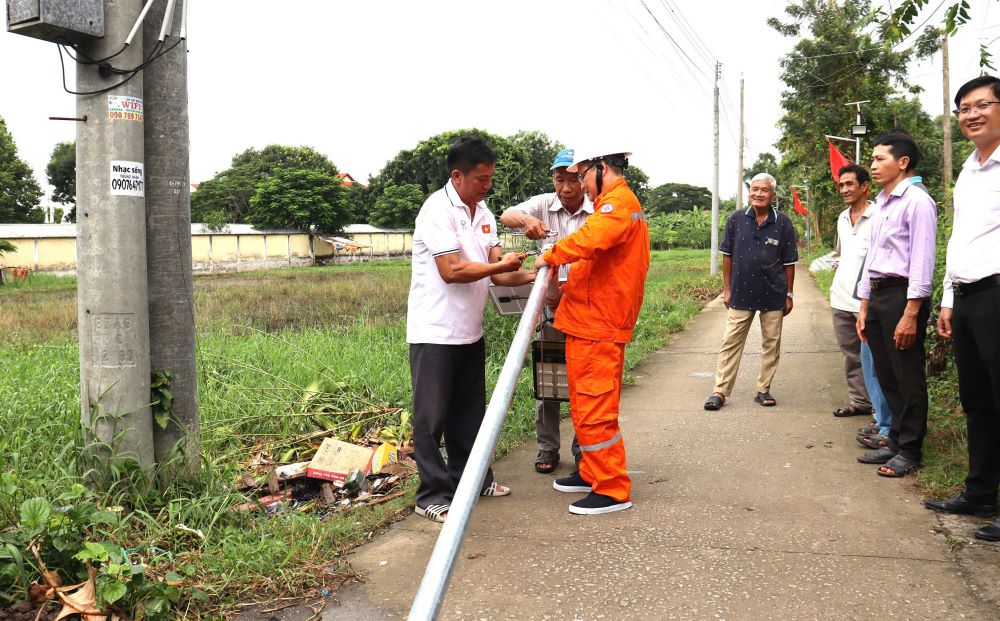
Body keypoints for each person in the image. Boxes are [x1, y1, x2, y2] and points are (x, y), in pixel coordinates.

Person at [406, 136, 535, 523]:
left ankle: (473, 480)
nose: (487, 185)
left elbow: (501, 271)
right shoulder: (437, 210)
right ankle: (431, 494)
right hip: (435, 333)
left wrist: (543, 273)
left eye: (490, 178)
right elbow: (453, 271)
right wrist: (501, 266)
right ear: (457, 175)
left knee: (469, 413)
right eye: (481, 178)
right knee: (431, 419)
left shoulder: (484, 214)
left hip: (469, 331)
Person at [535, 148, 649, 515]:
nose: (580, 185)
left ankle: (612, 488)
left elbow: (590, 241)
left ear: (601, 168)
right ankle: (591, 472)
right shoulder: (613, 204)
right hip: (588, 321)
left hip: (599, 325)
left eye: (582, 175)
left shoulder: (616, 205)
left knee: (595, 407)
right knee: (585, 406)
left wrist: (550, 255)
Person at [924, 75, 1000, 539]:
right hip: (969, 296)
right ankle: (979, 492)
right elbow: (961, 237)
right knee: (977, 401)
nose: (971, 114)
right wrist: (950, 297)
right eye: (963, 108)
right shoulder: (970, 169)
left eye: (982, 105)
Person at [499, 148, 593, 475]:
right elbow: (507, 215)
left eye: (572, 180)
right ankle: (547, 448)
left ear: (584, 179)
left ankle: (585, 450)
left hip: (585, 307)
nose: (565, 187)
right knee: (548, 378)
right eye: (559, 179)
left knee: (583, 381)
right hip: (549, 310)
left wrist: (567, 289)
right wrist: (526, 221)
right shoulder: (542, 204)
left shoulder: (596, 211)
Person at [855, 129, 936, 478]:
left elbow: (921, 261)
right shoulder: (884, 202)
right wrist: (863, 305)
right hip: (879, 294)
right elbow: (872, 257)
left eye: (879, 158)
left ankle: (911, 449)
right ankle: (896, 441)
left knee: (907, 376)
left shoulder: (917, 201)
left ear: (902, 162)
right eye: (872, 158)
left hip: (904, 296)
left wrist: (912, 312)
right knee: (886, 373)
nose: (872, 165)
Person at [703, 173, 798, 411]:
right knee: (731, 342)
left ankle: (763, 390)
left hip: (773, 293)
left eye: (764, 190)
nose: (758, 194)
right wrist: (727, 289)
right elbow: (727, 256)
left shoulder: (783, 223)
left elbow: (789, 263)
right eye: (754, 189)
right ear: (749, 192)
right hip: (741, 292)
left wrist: (789, 294)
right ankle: (720, 391)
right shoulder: (736, 219)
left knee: (771, 344)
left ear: (772, 195)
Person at [828, 164, 895, 450]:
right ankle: (860, 402)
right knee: (850, 355)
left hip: (866, 301)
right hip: (840, 298)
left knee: (875, 361)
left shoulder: (879, 214)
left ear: (865, 187)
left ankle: (882, 416)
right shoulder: (843, 218)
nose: (844, 189)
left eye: (849, 184)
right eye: (841, 185)